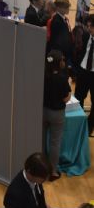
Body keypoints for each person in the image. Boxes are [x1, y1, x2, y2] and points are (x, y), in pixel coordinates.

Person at [43, 50, 71, 181]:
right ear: (59, 63)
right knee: (55, 143)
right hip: (57, 114)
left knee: (41, 140)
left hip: (43, 111)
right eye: (62, 60)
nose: (64, 62)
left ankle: (40, 167)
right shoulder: (62, 78)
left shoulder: (43, 75)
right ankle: (53, 171)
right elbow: (66, 98)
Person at [74, 13, 94, 136]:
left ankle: (90, 126)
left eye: (91, 26)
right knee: (78, 98)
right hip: (83, 72)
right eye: (88, 26)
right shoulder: (86, 35)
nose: (89, 28)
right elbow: (79, 51)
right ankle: (79, 122)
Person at [47, 0, 74, 65]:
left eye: (68, 7)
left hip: (62, 53)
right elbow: (58, 41)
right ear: (58, 8)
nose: (68, 9)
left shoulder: (63, 18)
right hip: (60, 55)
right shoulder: (57, 22)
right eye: (66, 7)